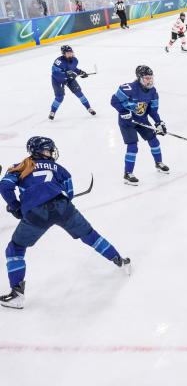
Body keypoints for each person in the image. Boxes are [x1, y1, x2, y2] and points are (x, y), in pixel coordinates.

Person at [0, 137, 130, 309]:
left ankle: (17, 294)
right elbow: (69, 193)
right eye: (48, 150)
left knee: (15, 249)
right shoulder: (60, 169)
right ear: (40, 151)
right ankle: (119, 260)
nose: (51, 153)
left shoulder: (20, 166)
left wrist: (16, 206)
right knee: (90, 235)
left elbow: (4, 186)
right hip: (63, 208)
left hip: (36, 213)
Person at [110, 65, 170, 185]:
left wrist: (158, 122)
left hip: (141, 119)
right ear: (140, 78)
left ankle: (158, 163)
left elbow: (152, 110)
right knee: (133, 146)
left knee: (154, 141)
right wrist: (124, 111)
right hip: (127, 122)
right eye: (147, 78)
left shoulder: (153, 92)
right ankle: (128, 174)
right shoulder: (129, 88)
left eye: (151, 78)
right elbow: (114, 100)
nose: (150, 80)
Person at [49, 45, 95, 121]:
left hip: (69, 79)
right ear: (64, 54)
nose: (70, 54)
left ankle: (89, 108)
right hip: (58, 80)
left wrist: (81, 72)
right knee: (60, 97)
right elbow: (55, 73)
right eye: (68, 53)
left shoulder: (75, 60)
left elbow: (73, 68)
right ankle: (52, 112)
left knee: (79, 93)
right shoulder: (59, 61)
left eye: (71, 52)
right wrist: (67, 74)